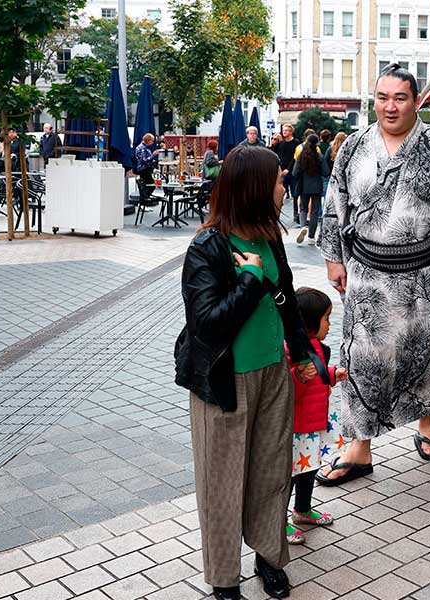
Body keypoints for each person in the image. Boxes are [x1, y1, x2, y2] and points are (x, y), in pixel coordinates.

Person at [316, 63, 430, 486]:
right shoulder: (354, 148)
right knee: (364, 359)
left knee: (429, 354)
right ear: (374, 100)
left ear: (416, 101)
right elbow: (335, 202)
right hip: (369, 275)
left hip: (428, 273)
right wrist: (333, 256)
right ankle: (359, 447)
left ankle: (427, 423)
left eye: (400, 98)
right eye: (382, 98)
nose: (390, 106)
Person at [174, 145, 318, 600]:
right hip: (225, 382)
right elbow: (207, 323)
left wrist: (300, 352)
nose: (284, 185)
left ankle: (269, 557)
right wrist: (250, 281)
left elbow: (287, 299)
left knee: (271, 472)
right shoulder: (207, 247)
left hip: (274, 373)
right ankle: (223, 579)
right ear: (256, 187)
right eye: (278, 179)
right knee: (222, 482)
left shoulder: (270, 235)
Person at [283, 287, 347, 545]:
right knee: (288, 475)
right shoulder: (290, 350)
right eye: (326, 319)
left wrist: (331, 374)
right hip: (297, 427)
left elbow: (317, 376)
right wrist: (297, 377)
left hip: (314, 423)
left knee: (309, 469)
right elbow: (284, 388)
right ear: (308, 323)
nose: (329, 325)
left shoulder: (317, 347)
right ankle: (278, 522)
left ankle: (303, 509)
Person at [293, 134, 328, 245]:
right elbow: (326, 172)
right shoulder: (319, 157)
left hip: (303, 186)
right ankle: (311, 237)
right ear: (317, 143)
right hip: (317, 186)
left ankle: (303, 226)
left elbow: (295, 172)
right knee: (314, 211)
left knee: (303, 208)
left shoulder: (302, 156)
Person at [276, 125, 300, 206]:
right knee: (280, 193)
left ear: (291, 132)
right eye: (283, 130)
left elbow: (295, 158)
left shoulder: (296, 143)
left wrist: (288, 169)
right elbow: (278, 157)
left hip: (292, 171)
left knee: (295, 194)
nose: (284, 132)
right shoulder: (281, 143)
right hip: (282, 171)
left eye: (286, 130)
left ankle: (296, 212)